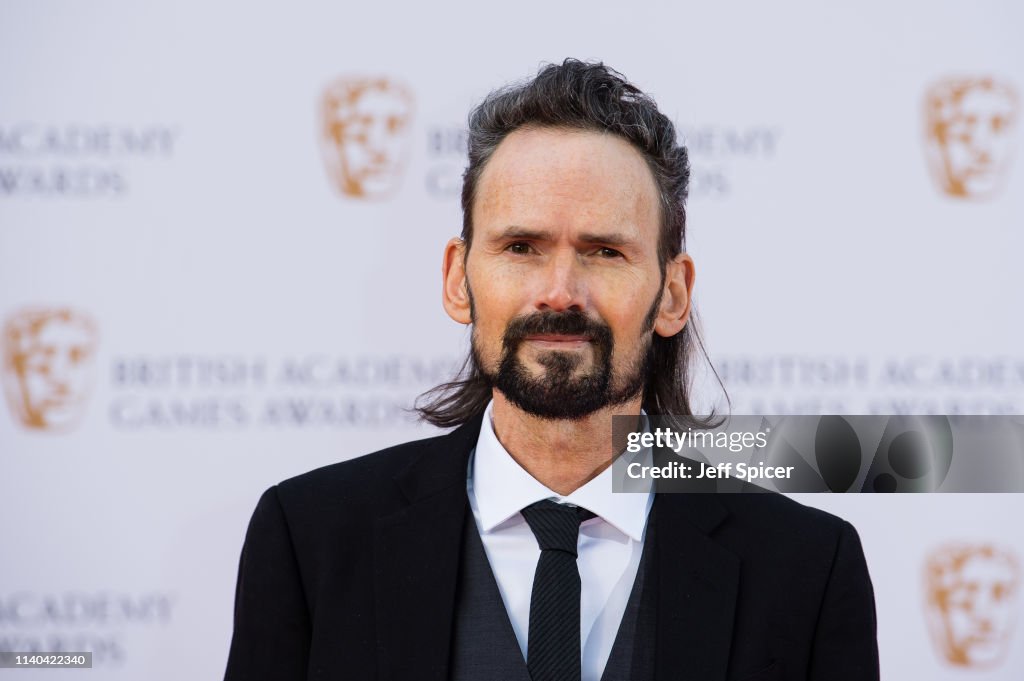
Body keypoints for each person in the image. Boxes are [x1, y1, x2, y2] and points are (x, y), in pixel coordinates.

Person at [225, 59, 879, 681]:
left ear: (673, 294)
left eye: (603, 250)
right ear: (458, 278)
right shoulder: (308, 541)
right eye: (521, 246)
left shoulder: (807, 570)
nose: (560, 291)